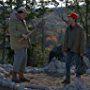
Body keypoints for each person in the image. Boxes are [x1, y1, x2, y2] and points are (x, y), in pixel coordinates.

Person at [62, 12, 86, 84]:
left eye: (70, 18)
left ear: (74, 19)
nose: (68, 19)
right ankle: (67, 79)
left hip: (77, 50)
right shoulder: (68, 28)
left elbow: (82, 41)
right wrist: (64, 48)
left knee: (78, 66)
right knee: (67, 65)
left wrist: (82, 51)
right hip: (69, 49)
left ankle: (78, 80)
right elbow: (66, 39)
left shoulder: (80, 29)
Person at [9, 7, 30, 83]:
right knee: (18, 60)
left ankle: (21, 76)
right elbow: (12, 32)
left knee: (23, 60)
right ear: (20, 13)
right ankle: (14, 77)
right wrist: (22, 35)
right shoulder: (13, 21)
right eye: (24, 14)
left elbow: (24, 31)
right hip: (17, 44)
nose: (25, 16)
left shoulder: (22, 21)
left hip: (24, 43)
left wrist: (27, 33)